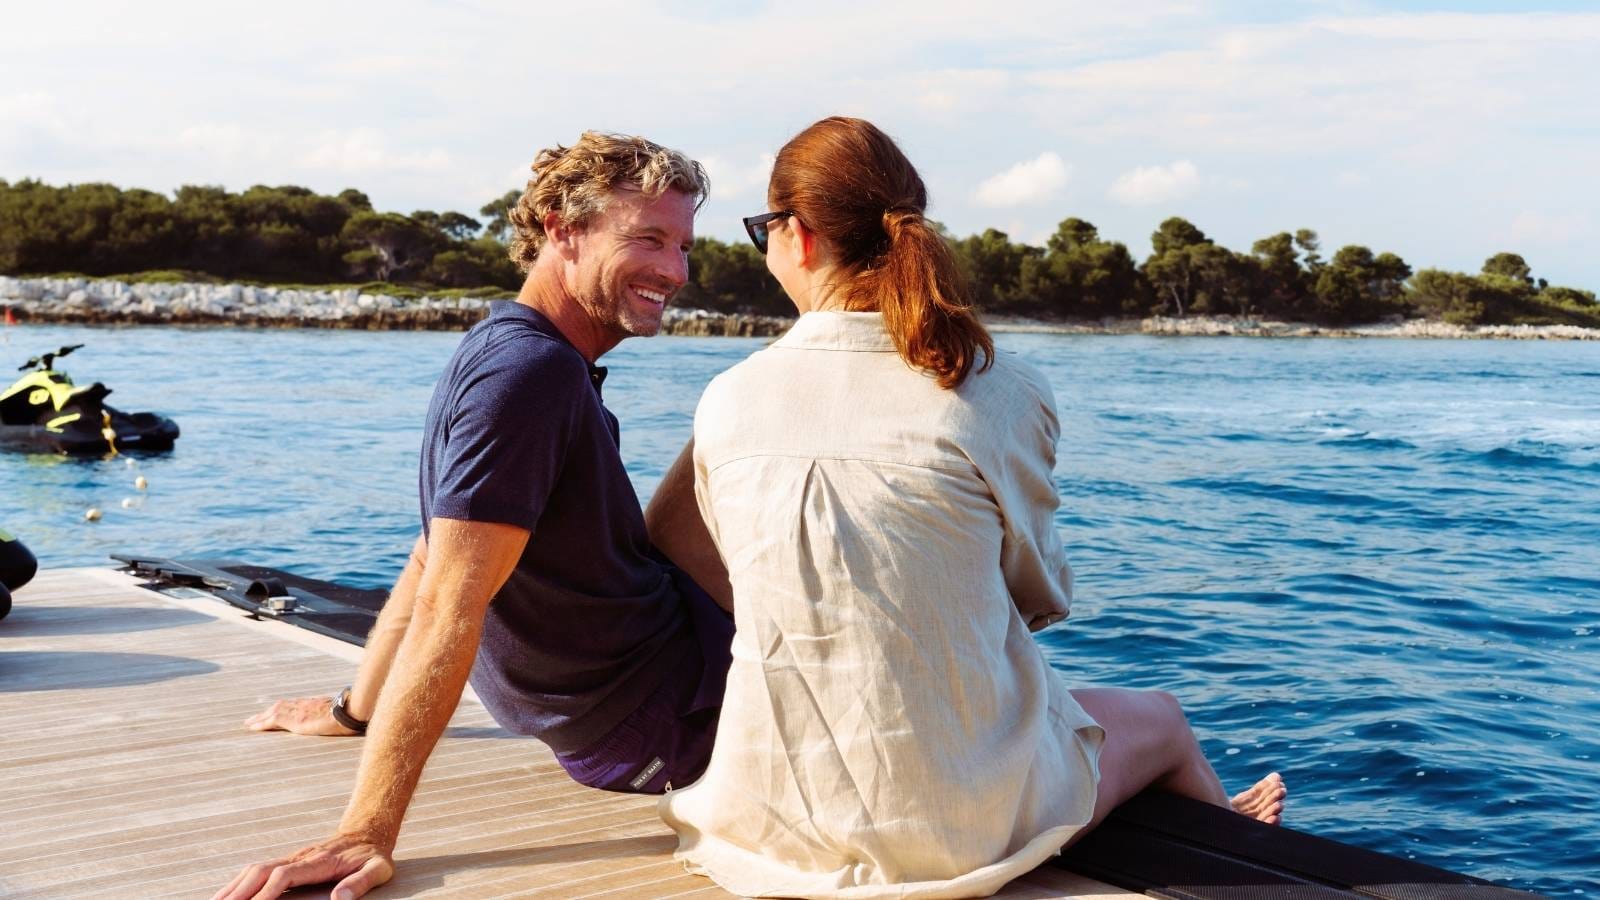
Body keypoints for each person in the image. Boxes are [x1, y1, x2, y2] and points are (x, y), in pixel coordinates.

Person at [656, 117, 1287, 898]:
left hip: (773, 811)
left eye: (762, 230)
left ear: (801, 236)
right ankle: (1234, 839)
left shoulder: (730, 397)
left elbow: (677, 543)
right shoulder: (996, 387)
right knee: (1160, 717)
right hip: (953, 828)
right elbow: (1039, 597)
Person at [214, 131, 735, 900]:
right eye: (649, 238)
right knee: (748, 415)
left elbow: (430, 556)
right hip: (661, 724)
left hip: (649, 674)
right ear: (562, 228)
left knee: (728, 421)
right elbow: (449, 604)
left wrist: (353, 709)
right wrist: (368, 827)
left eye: (685, 246)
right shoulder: (530, 376)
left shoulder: (511, 350)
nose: (675, 270)